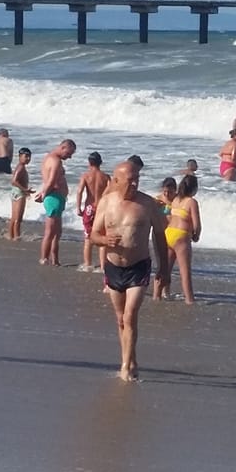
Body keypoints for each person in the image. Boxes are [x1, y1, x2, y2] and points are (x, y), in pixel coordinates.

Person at [86, 161, 165, 381]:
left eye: (137, 179)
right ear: (116, 180)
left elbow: (160, 236)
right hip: (113, 267)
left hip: (139, 266)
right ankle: (131, 359)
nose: (134, 183)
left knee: (130, 316)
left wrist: (164, 269)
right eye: (130, 180)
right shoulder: (107, 202)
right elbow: (93, 235)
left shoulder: (147, 204)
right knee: (121, 319)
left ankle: (125, 367)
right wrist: (105, 240)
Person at [33, 139, 77, 266]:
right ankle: (44, 258)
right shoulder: (56, 161)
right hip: (54, 198)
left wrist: (44, 192)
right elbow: (51, 181)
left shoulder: (48, 157)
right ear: (63, 147)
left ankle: (55, 260)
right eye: (69, 153)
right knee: (51, 232)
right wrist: (43, 194)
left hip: (56, 197)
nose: (69, 157)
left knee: (57, 232)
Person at [165, 175, 203, 304]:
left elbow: (169, 215)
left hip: (169, 232)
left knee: (167, 268)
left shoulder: (176, 199)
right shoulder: (191, 202)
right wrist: (196, 235)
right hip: (181, 235)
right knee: (184, 270)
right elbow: (197, 224)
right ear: (194, 188)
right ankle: (189, 299)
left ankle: (162, 293)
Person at [76, 152, 111, 273]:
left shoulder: (86, 176)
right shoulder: (105, 177)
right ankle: (102, 266)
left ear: (89, 163)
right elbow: (111, 192)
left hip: (89, 208)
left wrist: (78, 207)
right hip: (102, 208)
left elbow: (79, 191)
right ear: (100, 162)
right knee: (102, 237)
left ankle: (88, 265)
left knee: (88, 238)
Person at [152, 177, 177, 300]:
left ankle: (166, 291)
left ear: (175, 190)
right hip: (159, 234)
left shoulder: (178, 200)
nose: (167, 194)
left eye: (170, 192)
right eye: (165, 191)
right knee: (161, 264)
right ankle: (157, 292)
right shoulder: (157, 200)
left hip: (172, 234)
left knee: (169, 266)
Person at [7, 147, 32, 241]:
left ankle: (11, 236)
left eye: (29, 157)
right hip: (19, 193)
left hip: (15, 192)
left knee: (14, 218)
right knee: (18, 219)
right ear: (20, 156)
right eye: (26, 156)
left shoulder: (19, 166)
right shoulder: (21, 167)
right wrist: (25, 190)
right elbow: (14, 181)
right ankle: (16, 237)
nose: (28, 159)